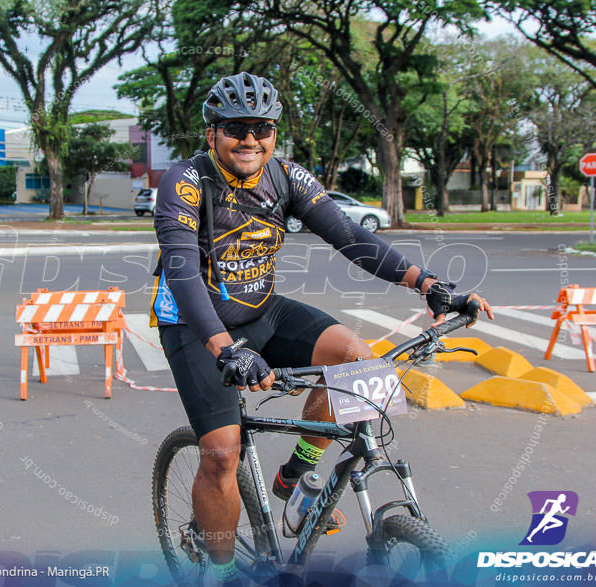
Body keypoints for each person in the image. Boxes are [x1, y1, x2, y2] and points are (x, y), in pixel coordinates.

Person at [149, 72, 494, 585]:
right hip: (196, 326)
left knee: (357, 360)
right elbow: (181, 271)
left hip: (260, 310)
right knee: (222, 452)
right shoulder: (184, 182)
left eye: (261, 129)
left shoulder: (287, 177)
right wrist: (225, 350)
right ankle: (218, 575)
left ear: (273, 133)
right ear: (211, 134)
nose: (249, 139)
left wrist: (428, 283)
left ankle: (294, 480)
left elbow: (352, 237)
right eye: (235, 129)